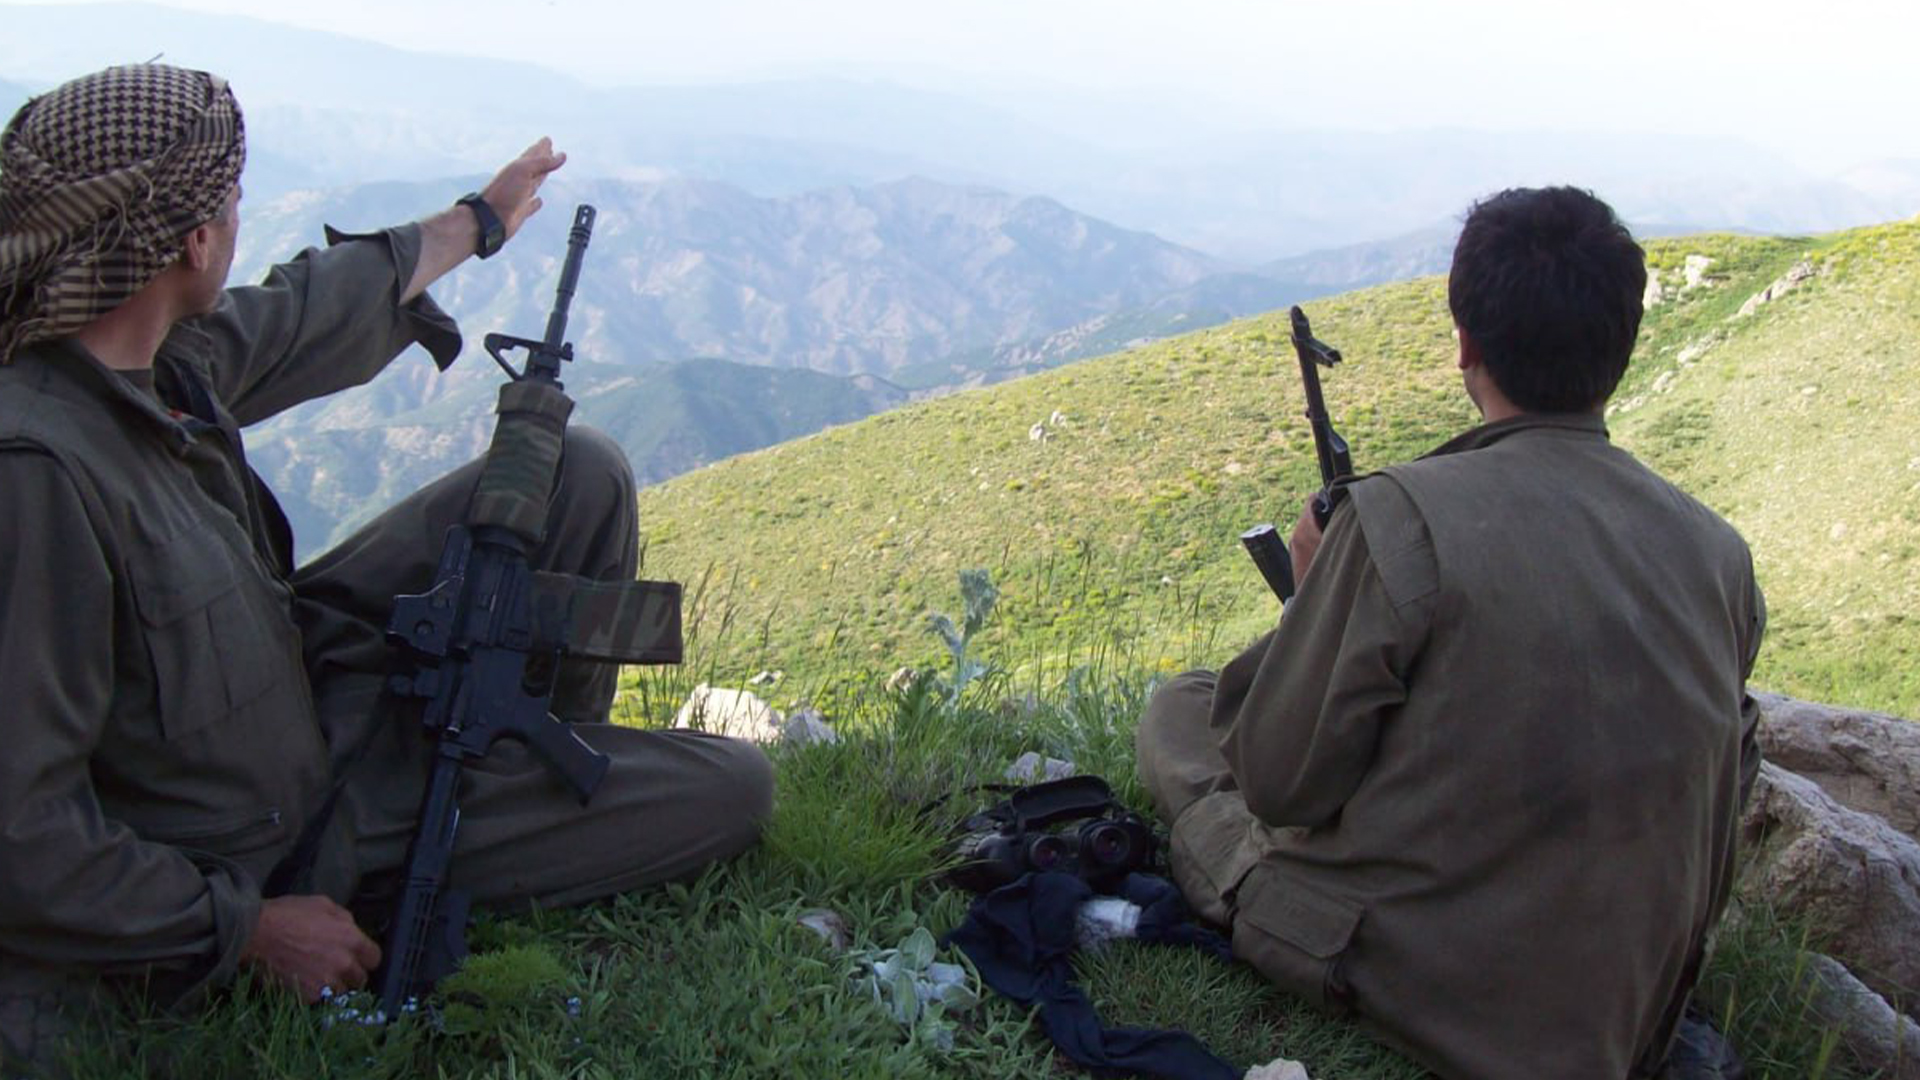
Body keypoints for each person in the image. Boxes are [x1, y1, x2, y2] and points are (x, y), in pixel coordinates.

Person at [0, 64, 774, 1069]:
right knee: (735, 789)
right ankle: (492, 831)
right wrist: (248, 929)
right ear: (191, 242)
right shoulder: (37, 478)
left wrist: (478, 221)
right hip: (283, 838)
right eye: (229, 198)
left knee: (571, 470)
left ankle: (530, 758)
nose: (237, 218)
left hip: (311, 675)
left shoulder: (149, 356)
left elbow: (298, 312)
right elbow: (21, 831)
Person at [1135, 186, 1765, 1078]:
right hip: (1632, 1002)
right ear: (1622, 346)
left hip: (1443, 988)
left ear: (1466, 343)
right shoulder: (1720, 552)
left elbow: (1279, 782)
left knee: (1182, 710)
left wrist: (1310, 597)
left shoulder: (1402, 518)